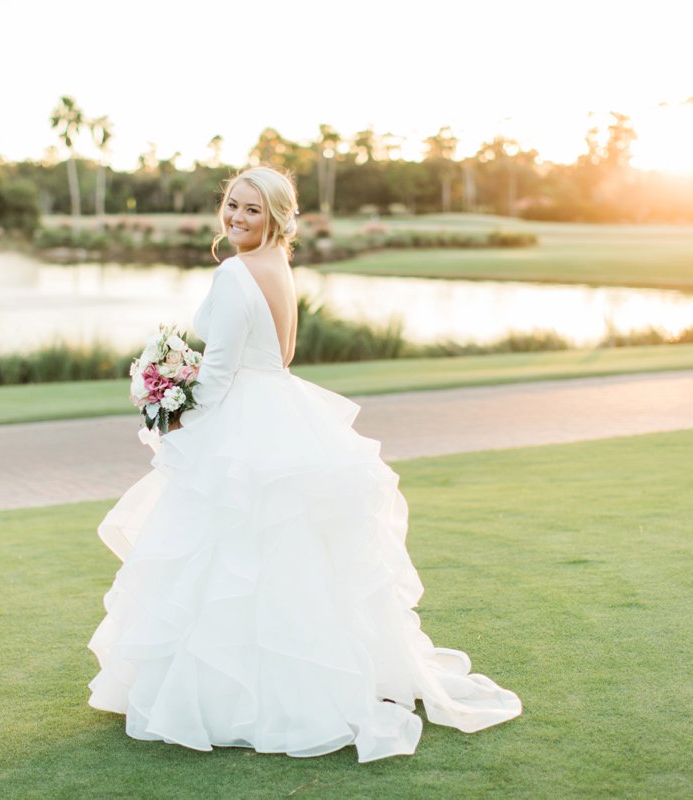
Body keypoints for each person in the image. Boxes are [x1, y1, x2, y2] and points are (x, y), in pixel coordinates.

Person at [87, 165, 521, 762]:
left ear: (275, 217)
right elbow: (283, 354)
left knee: (232, 554)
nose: (237, 217)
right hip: (280, 408)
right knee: (283, 556)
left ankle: (238, 698)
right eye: (233, 206)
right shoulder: (278, 267)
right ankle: (299, 681)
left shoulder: (236, 272)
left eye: (252, 211)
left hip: (243, 417)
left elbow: (217, 371)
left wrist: (177, 412)